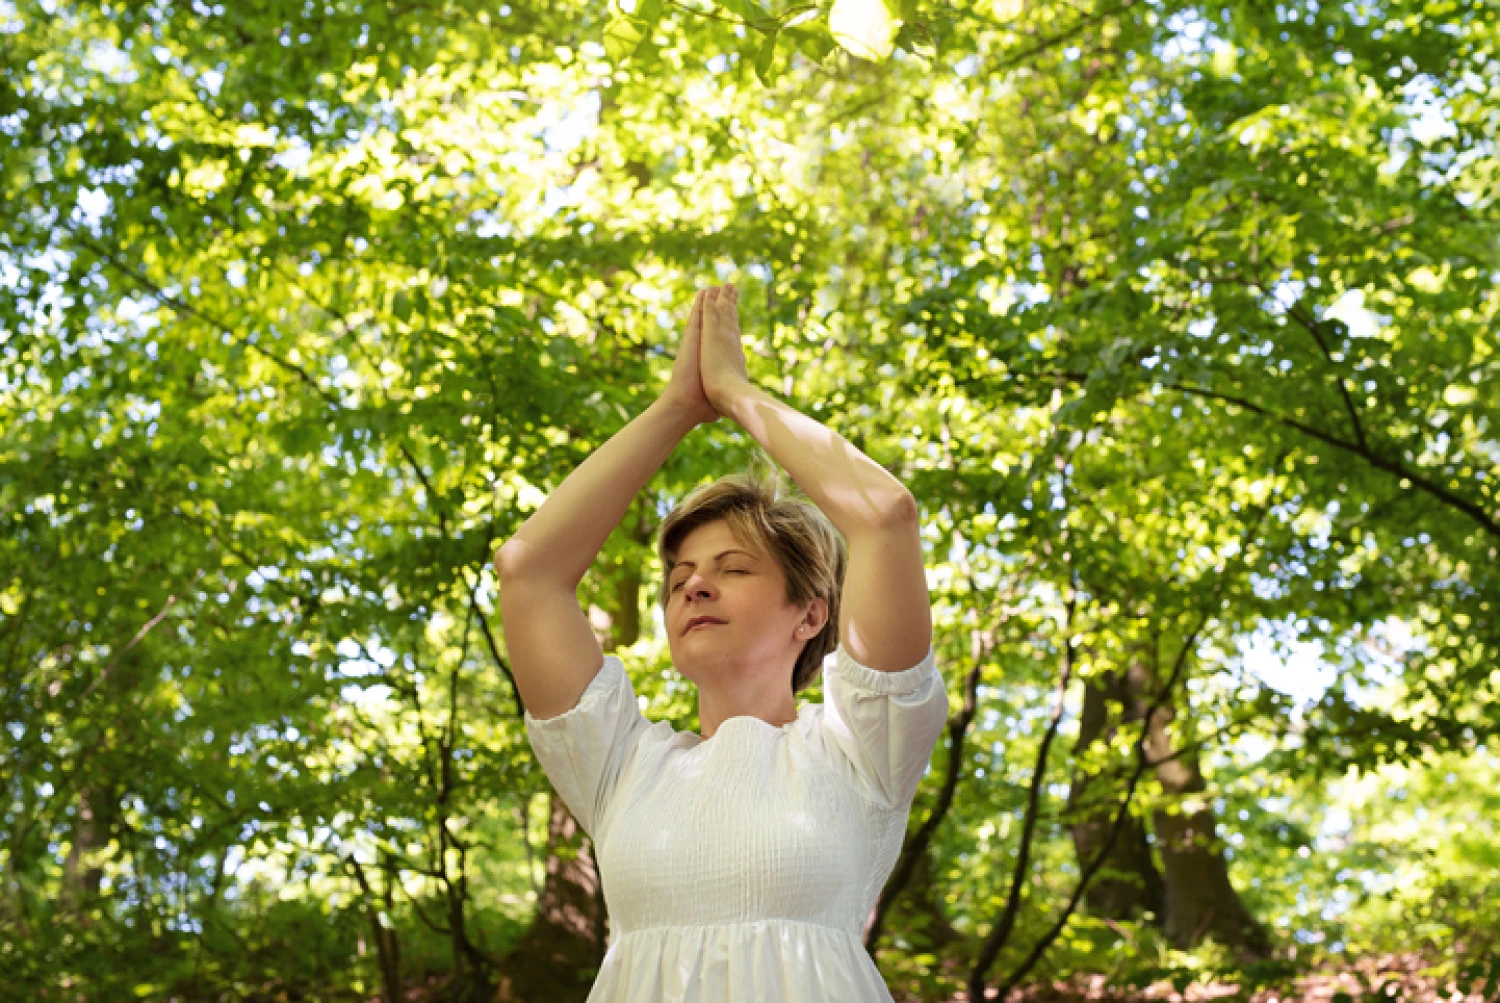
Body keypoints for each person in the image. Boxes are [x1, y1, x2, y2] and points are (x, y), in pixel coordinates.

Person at [495, 284, 949, 1001]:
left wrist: (735, 391)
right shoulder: (620, 766)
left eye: (732, 568)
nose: (694, 588)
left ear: (809, 615)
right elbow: (529, 572)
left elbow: (886, 516)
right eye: (678, 579)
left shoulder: (861, 748)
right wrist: (677, 406)